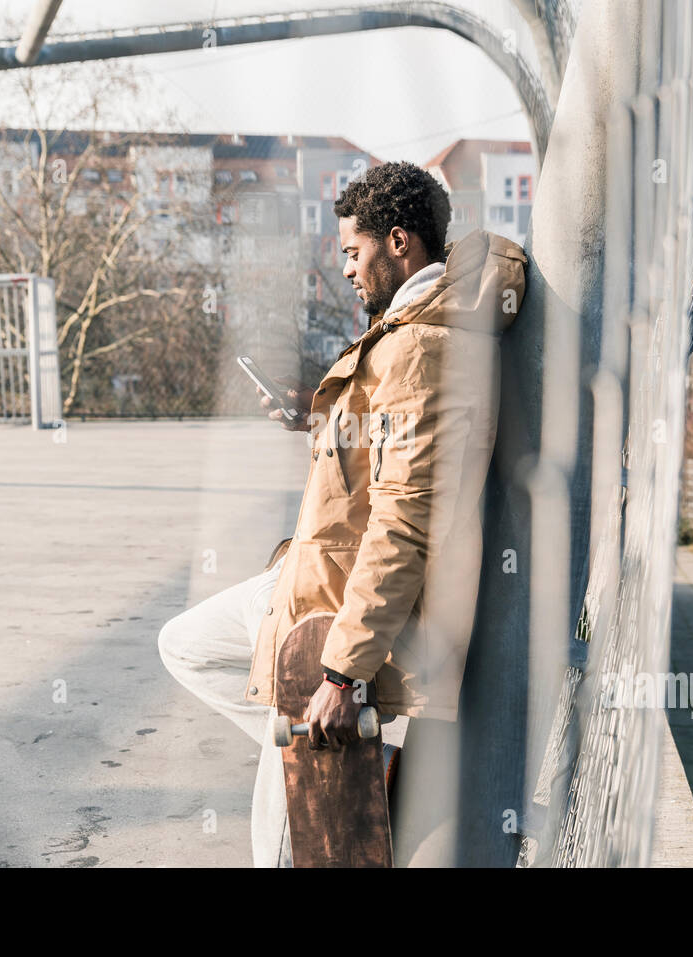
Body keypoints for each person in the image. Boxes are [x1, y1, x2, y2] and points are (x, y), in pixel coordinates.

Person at [157, 160, 527, 866]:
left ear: (398, 243)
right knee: (187, 644)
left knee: (286, 840)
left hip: (335, 616)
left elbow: (405, 522)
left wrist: (339, 676)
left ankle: (330, 739)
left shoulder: (423, 346)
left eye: (354, 253)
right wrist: (320, 419)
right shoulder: (413, 324)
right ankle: (338, 747)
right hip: (311, 578)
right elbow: (381, 459)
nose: (348, 270)